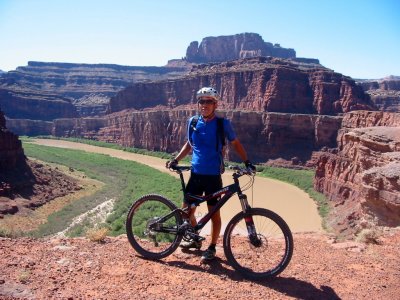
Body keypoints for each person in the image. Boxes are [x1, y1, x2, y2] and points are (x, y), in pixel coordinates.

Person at [166, 87, 255, 262]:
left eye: (208, 101)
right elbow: (189, 145)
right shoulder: (192, 122)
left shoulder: (223, 124)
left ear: (215, 104)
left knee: (214, 214)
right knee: (187, 211)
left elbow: (236, 143)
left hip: (213, 176)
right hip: (196, 175)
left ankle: (212, 247)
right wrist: (175, 159)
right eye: (201, 101)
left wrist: (247, 162)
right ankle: (194, 238)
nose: (204, 105)